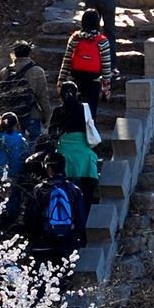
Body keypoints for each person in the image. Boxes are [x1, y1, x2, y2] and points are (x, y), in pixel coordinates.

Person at [24, 151, 88, 266]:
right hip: (68, 242)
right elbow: (81, 218)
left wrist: (32, 238)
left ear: (48, 168)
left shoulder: (39, 190)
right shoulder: (74, 190)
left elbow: (31, 217)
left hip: (44, 243)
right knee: (65, 276)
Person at [49, 83, 99, 216]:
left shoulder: (57, 111)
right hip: (83, 150)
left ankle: (66, 212)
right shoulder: (84, 108)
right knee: (87, 186)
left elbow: (52, 133)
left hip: (64, 149)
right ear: (77, 93)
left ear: (61, 95)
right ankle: (87, 211)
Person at [0, 42, 50, 144]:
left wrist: (3, 114)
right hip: (32, 113)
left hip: (11, 114)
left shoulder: (4, 72)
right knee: (33, 142)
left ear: (14, 54)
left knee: (13, 144)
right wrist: (47, 116)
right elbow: (43, 97)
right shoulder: (38, 71)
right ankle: (30, 159)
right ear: (29, 53)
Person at [58, 9, 111, 115]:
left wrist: (60, 82)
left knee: (72, 112)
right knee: (90, 114)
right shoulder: (102, 41)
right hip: (93, 81)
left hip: (74, 79)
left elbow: (67, 61)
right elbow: (106, 67)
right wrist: (106, 88)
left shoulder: (75, 38)